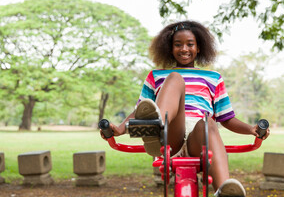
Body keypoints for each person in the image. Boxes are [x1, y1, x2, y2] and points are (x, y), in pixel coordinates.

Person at [101, 20, 270, 197]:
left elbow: (226, 118)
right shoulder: (156, 75)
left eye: (190, 44)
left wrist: (251, 130)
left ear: (199, 48)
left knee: (210, 123)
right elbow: (141, 111)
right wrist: (120, 129)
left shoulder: (213, 78)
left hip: (199, 137)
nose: (184, 49)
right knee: (174, 79)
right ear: (169, 48)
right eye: (177, 45)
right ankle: (155, 125)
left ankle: (224, 191)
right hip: (171, 130)